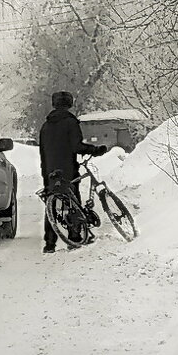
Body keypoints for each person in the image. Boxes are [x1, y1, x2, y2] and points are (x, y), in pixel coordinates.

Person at [38, 90, 108, 253]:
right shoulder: (71, 123)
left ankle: (49, 244)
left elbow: (42, 152)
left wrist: (45, 173)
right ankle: (75, 237)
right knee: (73, 201)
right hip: (67, 169)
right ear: (69, 104)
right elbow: (77, 147)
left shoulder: (45, 126)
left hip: (49, 170)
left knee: (52, 205)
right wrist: (95, 150)